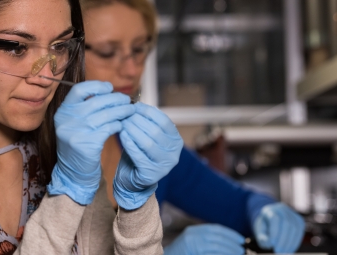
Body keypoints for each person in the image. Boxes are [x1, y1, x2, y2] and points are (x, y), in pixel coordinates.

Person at [0, 0, 184, 254]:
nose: (47, 75)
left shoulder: (70, 156)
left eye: (60, 45)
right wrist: (68, 194)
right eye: (16, 47)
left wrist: (136, 206)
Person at [80, 0, 306, 254]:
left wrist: (264, 210)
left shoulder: (147, 148)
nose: (132, 69)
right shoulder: (35, 155)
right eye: (108, 51)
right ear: (65, 51)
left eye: (138, 49)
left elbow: (237, 204)